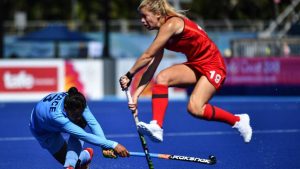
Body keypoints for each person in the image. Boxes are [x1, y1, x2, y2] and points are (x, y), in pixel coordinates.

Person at [119, 0, 252, 143]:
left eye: (145, 16)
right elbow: (151, 67)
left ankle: (238, 121)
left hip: (214, 65)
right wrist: (136, 96)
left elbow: (147, 56)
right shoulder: (162, 34)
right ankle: (157, 126)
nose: (142, 21)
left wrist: (129, 75)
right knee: (162, 77)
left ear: (158, 14)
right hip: (196, 65)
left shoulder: (172, 24)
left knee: (195, 108)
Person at [29, 87, 129, 169]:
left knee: (71, 163)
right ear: (65, 108)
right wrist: (113, 145)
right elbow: (83, 135)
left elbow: (93, 123)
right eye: (75, 114)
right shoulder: (57, 116)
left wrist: (104, 147)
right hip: (42, 129)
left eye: (80, 113)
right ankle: (86, 155)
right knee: (70, 161)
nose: (78, 117)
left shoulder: (78, 100)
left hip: (57, 118)